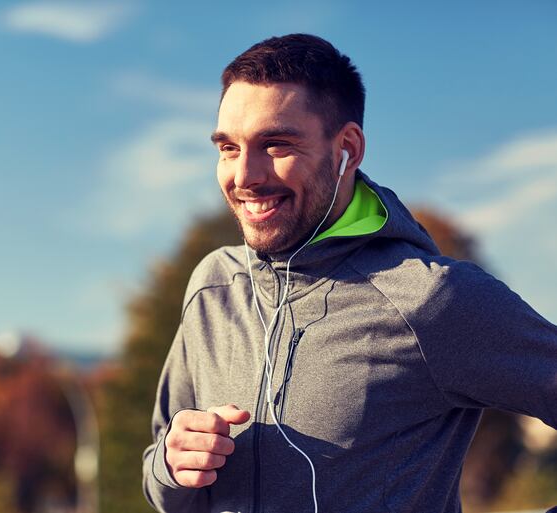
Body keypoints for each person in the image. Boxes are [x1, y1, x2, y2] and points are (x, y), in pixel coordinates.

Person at [141, 33, 557, 513]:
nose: (244, 176)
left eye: (275, 144)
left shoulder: (430, 298)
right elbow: (163, 482)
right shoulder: (213, 285)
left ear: (348, 148)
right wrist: (172, 466)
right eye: (228, 148)